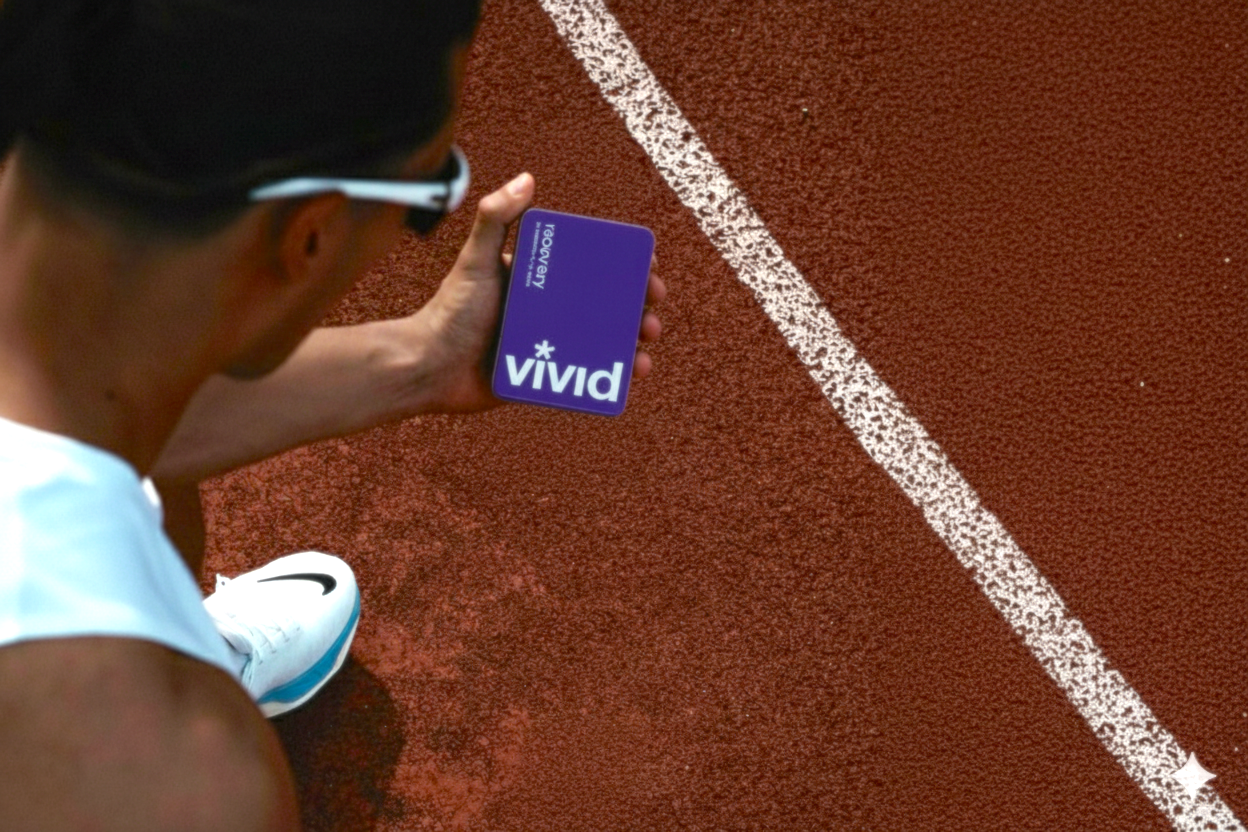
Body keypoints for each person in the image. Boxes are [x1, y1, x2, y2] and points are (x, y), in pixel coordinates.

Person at [0, 1, 665, 830]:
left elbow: (121, 412)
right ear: (308, 236)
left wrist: (422, 359)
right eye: (428, 194)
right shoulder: (182, 782)